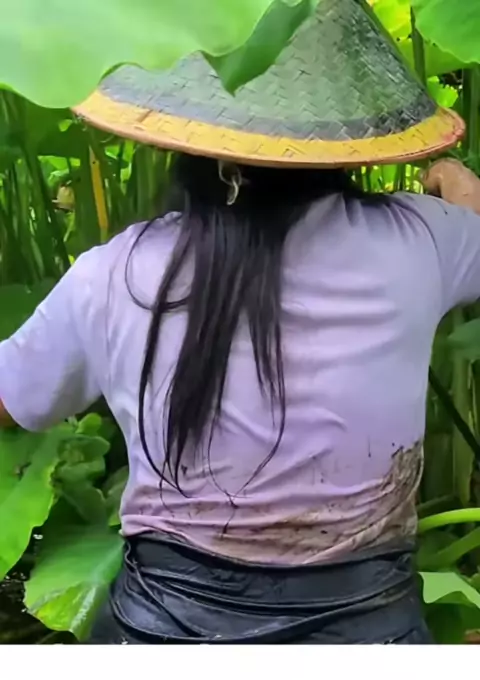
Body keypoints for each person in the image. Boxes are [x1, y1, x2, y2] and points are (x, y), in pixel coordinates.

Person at [0, 0, 475, 644]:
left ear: (185, 137)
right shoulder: (422, 241)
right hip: (372, 652)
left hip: (161, 649)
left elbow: (9, 397)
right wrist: (453, 178)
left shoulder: (113, 273)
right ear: (341, 137)